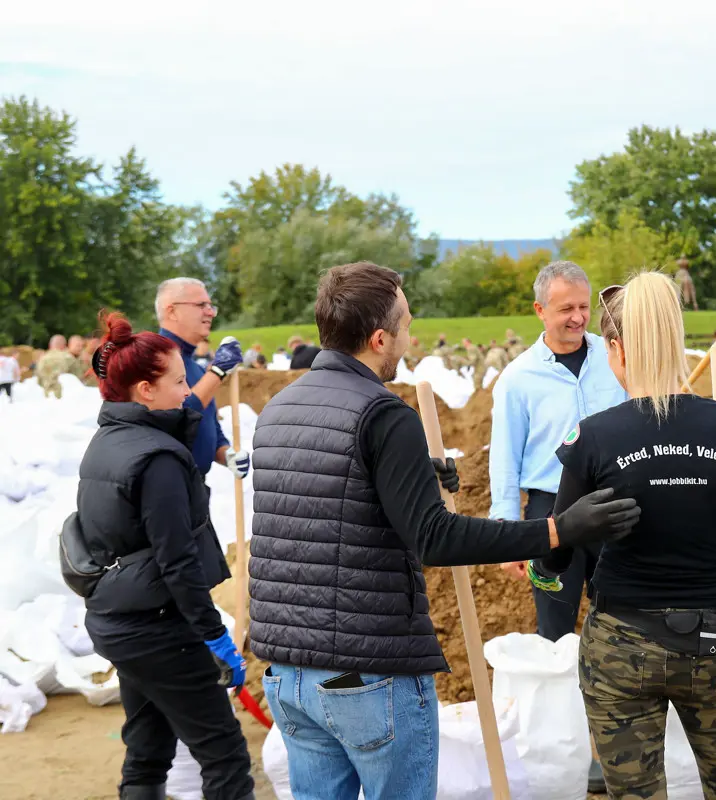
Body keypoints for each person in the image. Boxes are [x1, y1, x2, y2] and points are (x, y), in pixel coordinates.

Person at [248, 261, 640, 800]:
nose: (411, 339)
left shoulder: (277, 410)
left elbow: (325, 500)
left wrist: (412, 478)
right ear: (379, 337)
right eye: (406, 326)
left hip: (288, 669)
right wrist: (553, 531)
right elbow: (434, 539)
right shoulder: (384, 415)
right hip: (368, 671)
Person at [530, 271, 716, 798]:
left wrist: (543, 569)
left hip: (622, 648)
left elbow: (557, 556)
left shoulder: (594, 436)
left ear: (616, 348)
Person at [75, 311, 253, 800]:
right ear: (145, 391)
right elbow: (178, 562)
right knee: (225, 755)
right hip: (157, 628)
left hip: (119, 620)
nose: (186, 390)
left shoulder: (108, 441)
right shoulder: (158, 461)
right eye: (178, 381)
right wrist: (214, 635)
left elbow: (181, 418)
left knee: (149, 746)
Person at [489, 261, 628, 636]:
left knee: (625, 624)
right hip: (549, 513)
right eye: (566, 309)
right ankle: (559, 694)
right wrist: (507, 533)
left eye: (584, 307)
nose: (578, 318)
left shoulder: (616, 358)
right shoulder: (517, 379)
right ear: (540, 311)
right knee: (555, 630)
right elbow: (504, 458)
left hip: (615, 505)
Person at [154, 278, 248, 480]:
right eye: (201, 305)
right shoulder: (151, 361)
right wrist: (217, 372)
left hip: (196, 490)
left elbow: (208, 427)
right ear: (172, 311)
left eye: (210, 305)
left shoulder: (196, 368)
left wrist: (226, 454)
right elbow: (173, 419)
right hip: (166, 488)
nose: (210, 312)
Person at [36, 333, 85, 398]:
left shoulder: (42, 359)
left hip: (45, 397)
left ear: (49, 345)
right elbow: (79, 379)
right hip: (64, 398)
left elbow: (38, 380)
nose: (80, 348)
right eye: (78, 346)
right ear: (65, 345)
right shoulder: (69, 358)